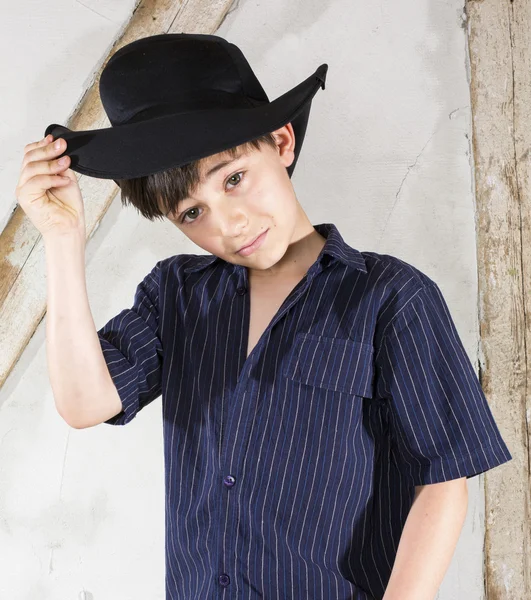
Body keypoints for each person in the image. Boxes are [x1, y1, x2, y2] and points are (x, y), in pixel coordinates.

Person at [16, 33, 512, 600]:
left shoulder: (390, 297)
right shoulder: (175, 294)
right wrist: (61, 239)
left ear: (281, 142)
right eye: (192, 211)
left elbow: (444, 479)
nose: (227, 224)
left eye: (233, 179)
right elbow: (85, 402)